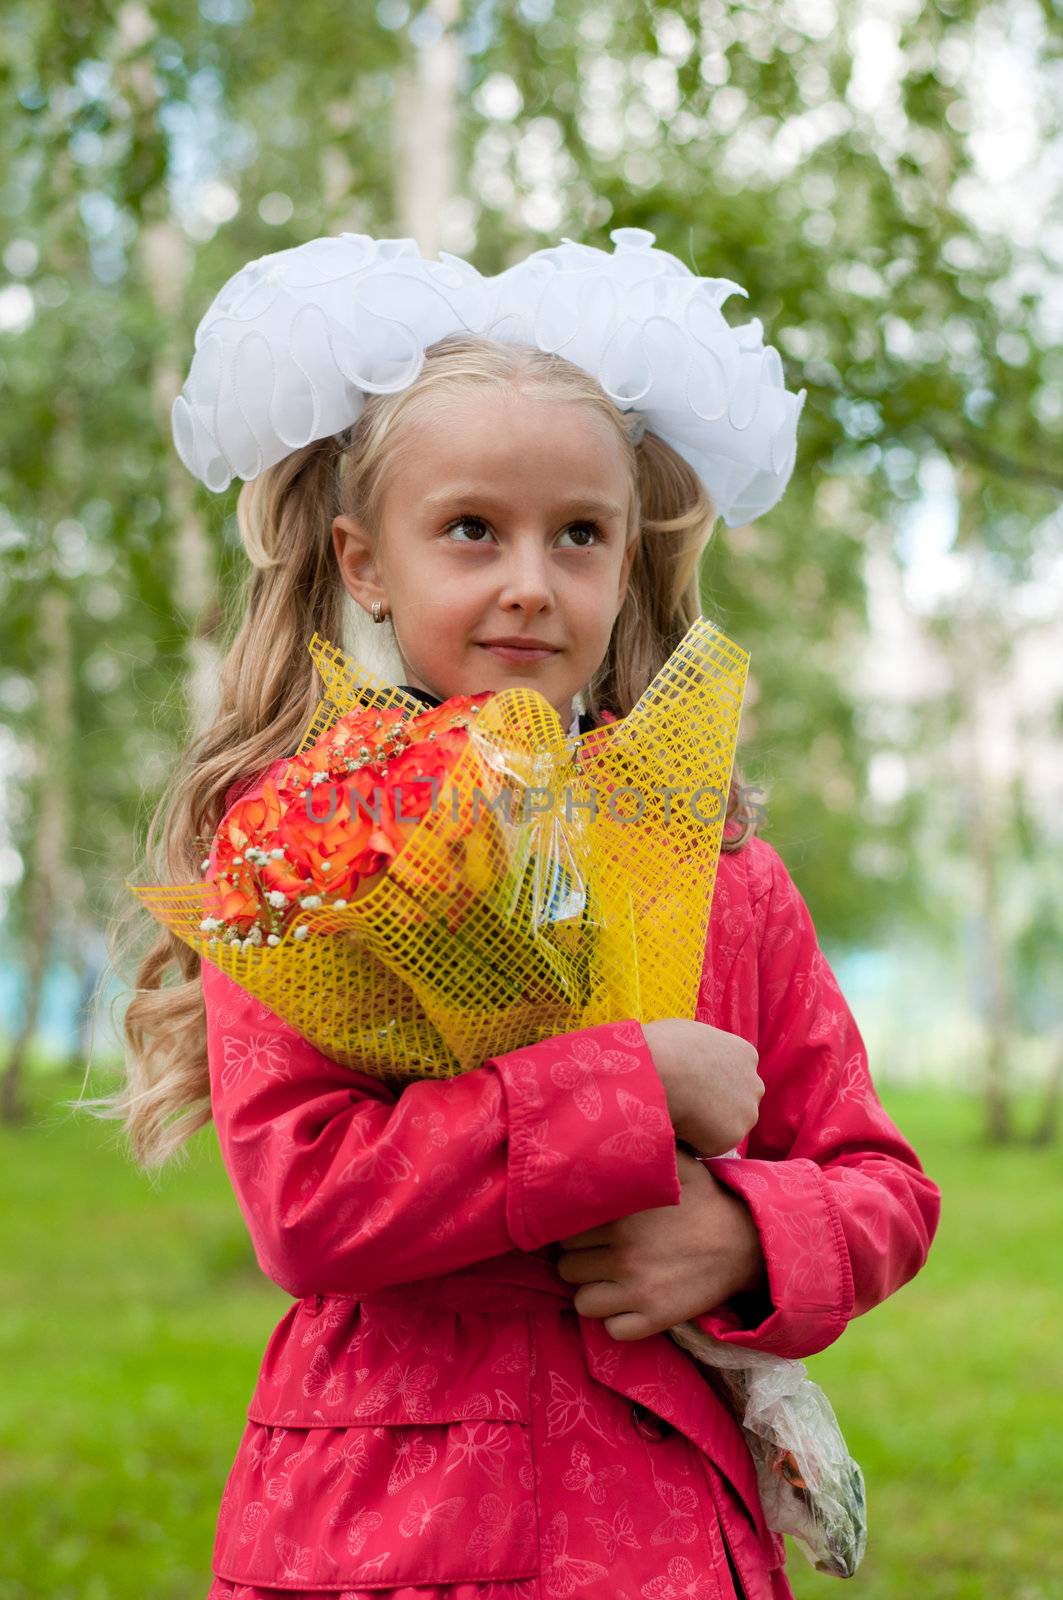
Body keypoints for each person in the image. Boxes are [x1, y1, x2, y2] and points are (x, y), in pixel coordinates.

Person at [94, 231, 941, 1600]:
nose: (532, 581)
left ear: (626, 560)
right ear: (366, 560)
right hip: (387, 1519)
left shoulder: (721, 867)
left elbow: (884, 1185)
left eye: (580, 536)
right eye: (473, 529)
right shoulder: (304, 850)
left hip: (664, 1523)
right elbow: (304, 1205)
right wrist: (628, 1085)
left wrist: (744, 1234)